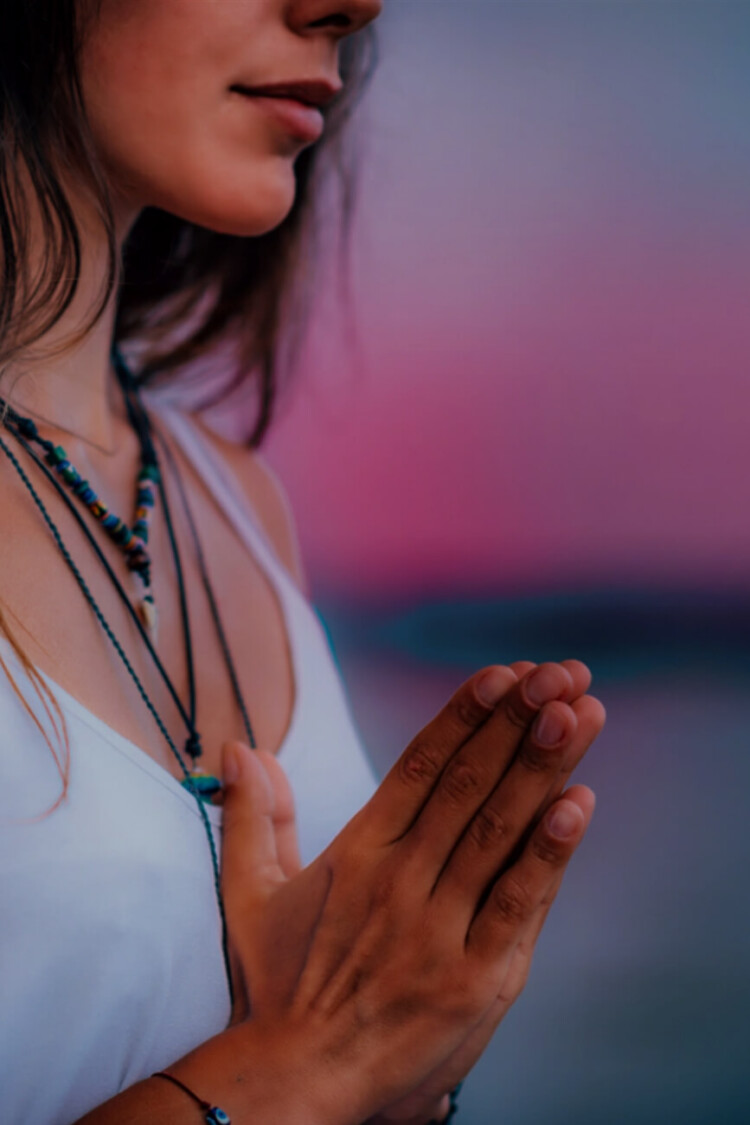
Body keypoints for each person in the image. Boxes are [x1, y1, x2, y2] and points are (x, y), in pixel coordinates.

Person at [0, 2, 607, 1123]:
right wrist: (323, 1055)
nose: (351, 5)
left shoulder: (240, 502)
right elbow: (315, 1065)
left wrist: (413, 1059)